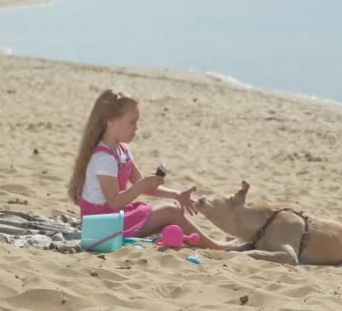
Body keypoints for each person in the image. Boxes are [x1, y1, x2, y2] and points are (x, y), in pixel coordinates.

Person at [67, 89, 230, 249]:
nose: (136, 128)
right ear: (111, 121)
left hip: (114, 220)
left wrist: (176, 195)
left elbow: (141, 184)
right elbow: (115, 202)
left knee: (170, 215)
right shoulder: (104, 159)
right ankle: (219, 247)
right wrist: (142, 185)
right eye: (131, 122)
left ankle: (212, 243)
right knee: (170, 212)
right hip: (101, 229)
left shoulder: (122, 150)